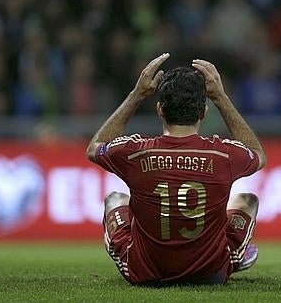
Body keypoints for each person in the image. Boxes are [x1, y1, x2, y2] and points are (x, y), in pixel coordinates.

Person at [86, 53, 267, 286]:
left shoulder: (135, 152)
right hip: (209, 273)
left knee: (115, 198)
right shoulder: (223, 154)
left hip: (144, 273)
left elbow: (94, 148)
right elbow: (258, 154)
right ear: (203, 112)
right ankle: (232, 258)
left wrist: (136, 95)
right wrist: (221, 97)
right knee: (247, 200)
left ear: (160, 110)